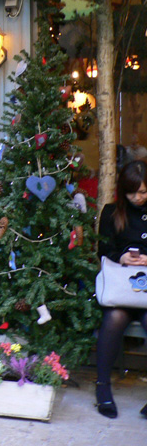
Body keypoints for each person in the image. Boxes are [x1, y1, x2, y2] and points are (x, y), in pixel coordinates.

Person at [95, 160, 147, 419]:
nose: (138, 197)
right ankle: (102, 387)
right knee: (114, 317)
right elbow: (103, 251)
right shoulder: (112, 212)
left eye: (143, 192)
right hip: (121, 288)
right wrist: (122, 257)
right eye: (132, 192)